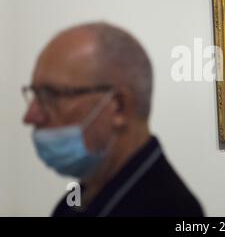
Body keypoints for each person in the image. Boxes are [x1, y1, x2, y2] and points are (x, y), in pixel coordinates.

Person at [22, 22, 204, 217]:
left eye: (52, 95)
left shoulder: (171, 210)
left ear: (119, 107)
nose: (30, 116)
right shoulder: (76, 201)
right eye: (35, 94)